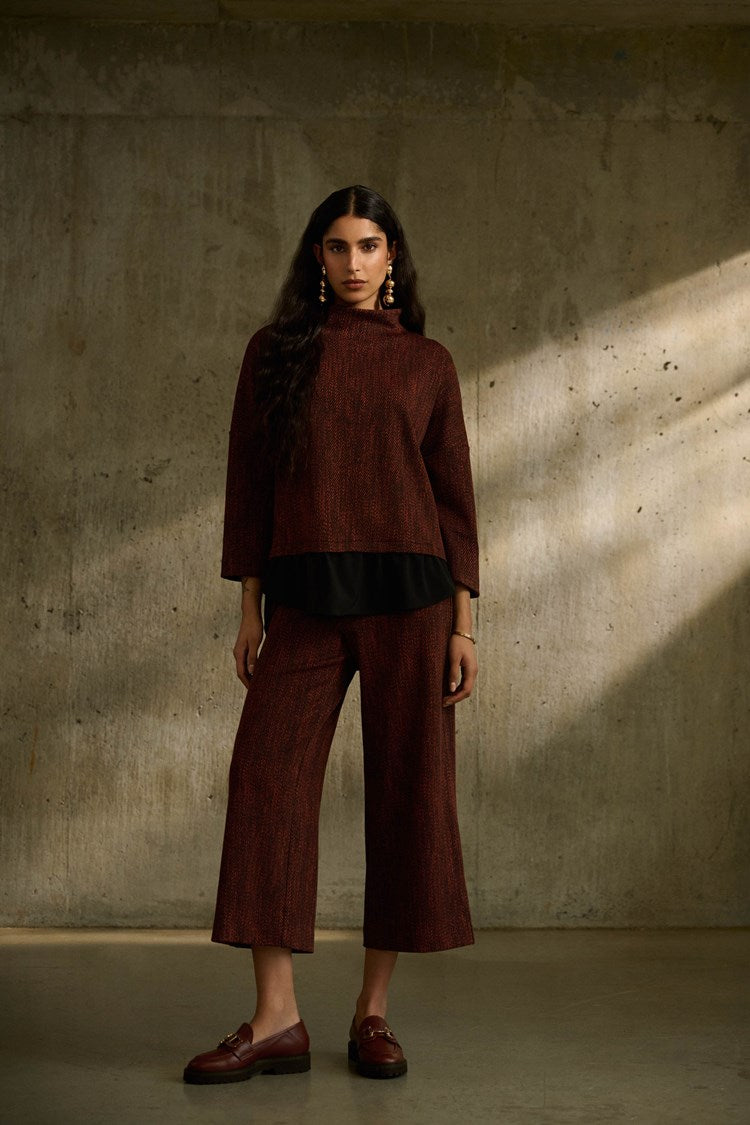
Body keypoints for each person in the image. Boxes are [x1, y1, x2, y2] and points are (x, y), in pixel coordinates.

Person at [183, 184, 480, 1086]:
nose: (353, 263)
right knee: (266, 778)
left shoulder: (427, 362)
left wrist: (465, 624)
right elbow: (250, 484)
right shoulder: (272, 354)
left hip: (414, 601)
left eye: (370, 247)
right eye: (338, 247)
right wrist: (248, 606)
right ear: (317, 258)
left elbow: (456, 500)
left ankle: (373, 1011)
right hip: (305, 600)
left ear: (394, 262)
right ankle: (278, 1017)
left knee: (407, 793)